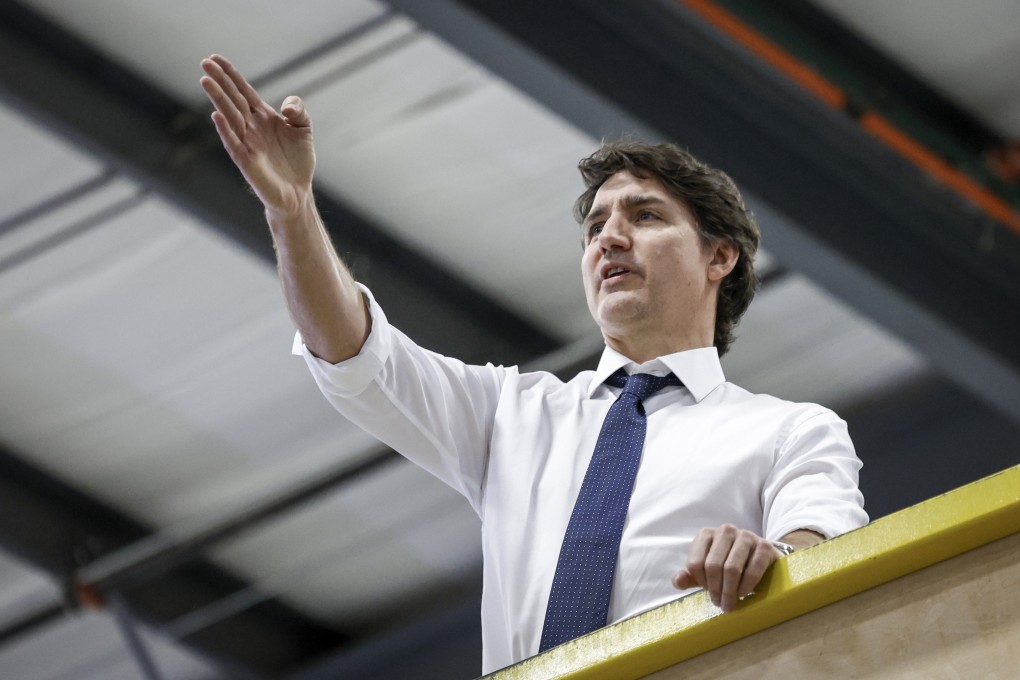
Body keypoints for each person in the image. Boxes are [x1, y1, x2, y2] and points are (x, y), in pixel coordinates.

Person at [200, 54, 867, 673]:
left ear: (720, 257)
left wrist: (772, 561)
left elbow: (828, 553)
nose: (610, 236)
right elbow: (356, 354)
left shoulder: (790, 432)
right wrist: (292, 210)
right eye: (595, 226)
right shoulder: (511, 414)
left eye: (645, 214)